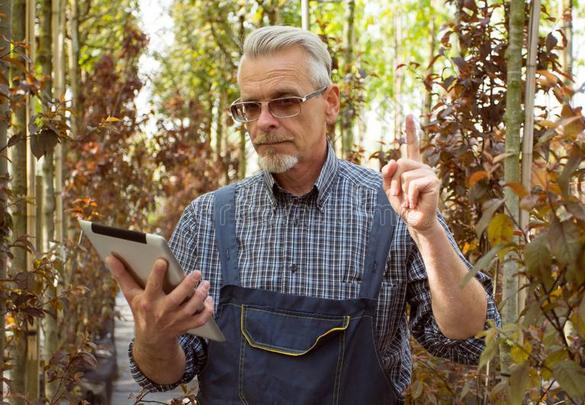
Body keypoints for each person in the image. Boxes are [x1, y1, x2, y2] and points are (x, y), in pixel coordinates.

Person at [105, 25, 500, 404]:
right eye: (250, 106)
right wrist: (153, 336)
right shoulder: (207, 219)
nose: (264, 121)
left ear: (330, 103)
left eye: (285, 101)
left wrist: (429, 233)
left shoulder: (394, 210)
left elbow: (472, 339)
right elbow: (167, 374)